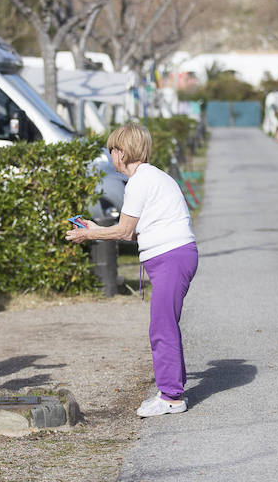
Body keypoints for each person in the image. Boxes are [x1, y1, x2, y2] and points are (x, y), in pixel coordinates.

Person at [65, 123, 197, 418]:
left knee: (162, 327)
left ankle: (172, 397)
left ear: (121, 153)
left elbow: (124, 232)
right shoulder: (152, 177)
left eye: (111, 150)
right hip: (174, 255)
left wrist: (90, 235)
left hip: (171, 258)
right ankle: (172, 390)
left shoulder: (140, 182)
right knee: (164, 324)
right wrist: (98, 229)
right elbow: (140, 231)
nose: (111, 155)